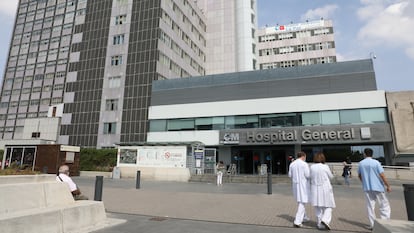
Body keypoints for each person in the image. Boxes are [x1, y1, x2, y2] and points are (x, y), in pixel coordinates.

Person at [358, 148, 391, 230]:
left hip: (367, 188)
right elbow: (382, 175)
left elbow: (359, 175)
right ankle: (385, 223)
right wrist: (388, 185)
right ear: (372, 154)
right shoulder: (376, 163)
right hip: (378, 187)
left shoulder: (361, 163)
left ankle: (372, 225)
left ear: (364, 154)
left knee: (370, 206)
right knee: (384, 205)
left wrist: (364, 182)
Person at [310, 152, 336, 230]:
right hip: (325, 188)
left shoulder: (312, 167)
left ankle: (319, 224)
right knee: (329, 206)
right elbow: (331, 177)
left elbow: (310, 177)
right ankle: (325, 220)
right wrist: (333, 173)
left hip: (315, 188)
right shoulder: (325, 167)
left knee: (318, 207)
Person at [288, 151, 310, 228]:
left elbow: (290, 175)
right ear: (303, 156)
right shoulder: (304, 164)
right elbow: (308, 175)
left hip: (295, 185)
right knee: (302, 202)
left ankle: (304, 217)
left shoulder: (292, 164)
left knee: (300, 201)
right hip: (303, 185)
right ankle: (297, 221)